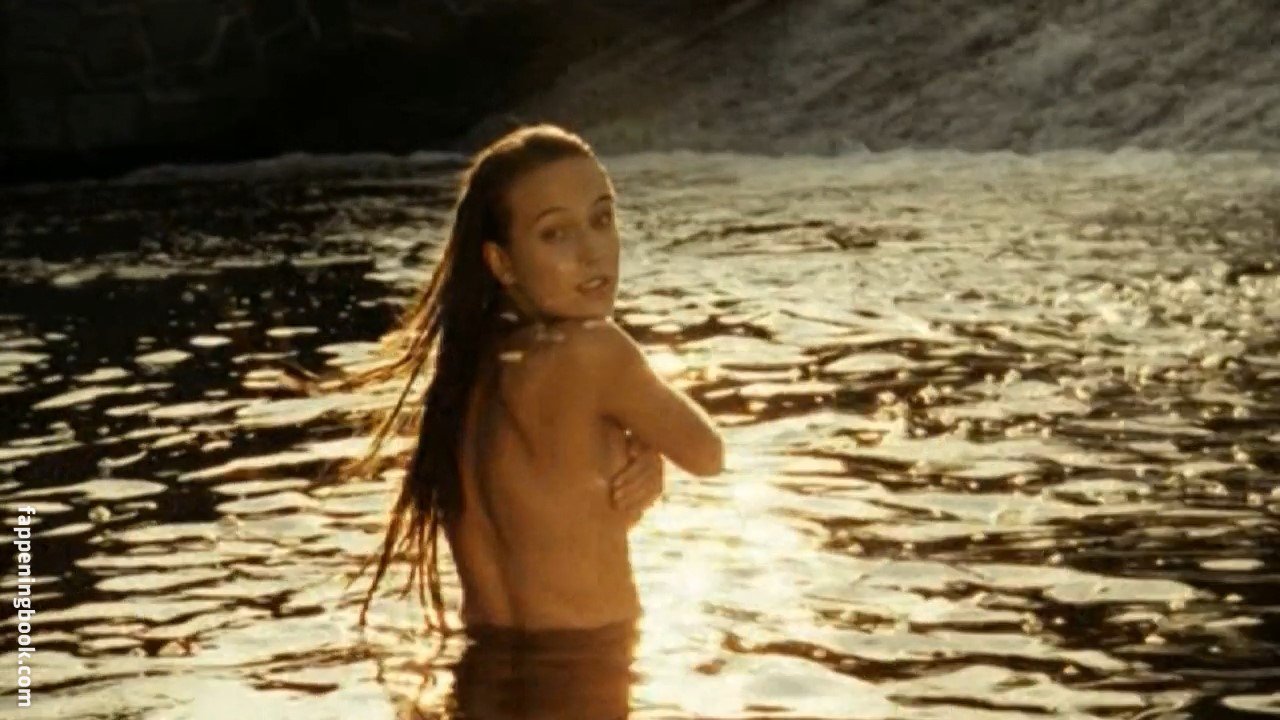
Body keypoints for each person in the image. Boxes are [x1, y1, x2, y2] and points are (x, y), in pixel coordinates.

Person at [321, 124, 723, 714]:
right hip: (584, 671)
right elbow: (708, 453)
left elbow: (555, 518)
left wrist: (644, 451)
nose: (592, 251)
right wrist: (652, 448)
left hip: (484, 670)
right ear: (502, 263)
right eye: (555, 233)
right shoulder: (594, 351)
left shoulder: (466, 376)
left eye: (602, 219)